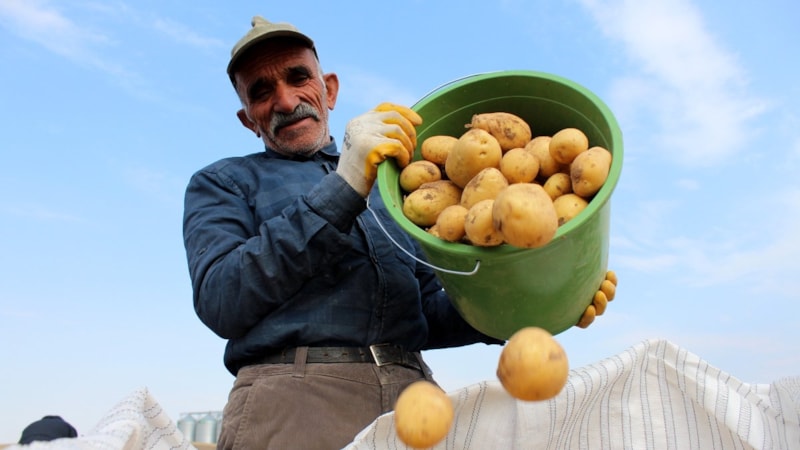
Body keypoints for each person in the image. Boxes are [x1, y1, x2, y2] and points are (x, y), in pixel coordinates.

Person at [182, 16, 504, 449]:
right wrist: (344, 186)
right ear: (247, 120)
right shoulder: (224, 182)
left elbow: (424, 311)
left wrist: (518, 305)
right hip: (293, 408)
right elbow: (222, 298)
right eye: (261, 91)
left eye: (298, 77)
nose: (284, 99)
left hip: (416, 405)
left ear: (329, 89)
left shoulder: (393, 187)